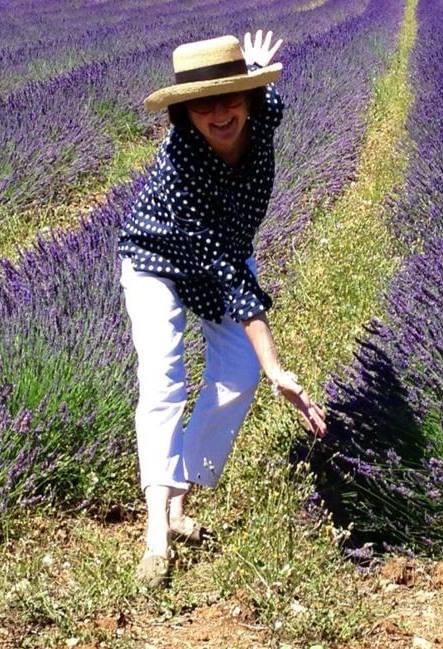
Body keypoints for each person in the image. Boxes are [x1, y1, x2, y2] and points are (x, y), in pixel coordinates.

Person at [117, 29, 327, 588]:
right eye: (203, 103)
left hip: (223, 251)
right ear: (184, 113)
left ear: (251, 99)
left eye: (231, 97)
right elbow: (234, 281)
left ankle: (180, 494)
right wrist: (279, 366)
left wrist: (252, 69)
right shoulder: (185, 167)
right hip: (157, 258)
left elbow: (268, 99)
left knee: (236, 376)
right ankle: (156, 536)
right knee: (163, 379)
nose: (219, 112)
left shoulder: (263, 114)